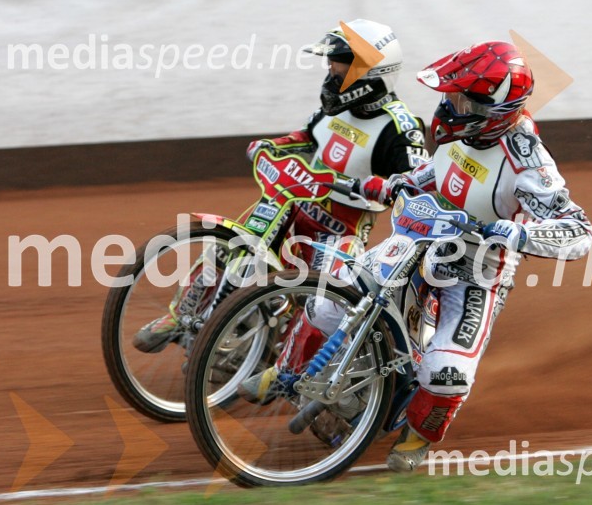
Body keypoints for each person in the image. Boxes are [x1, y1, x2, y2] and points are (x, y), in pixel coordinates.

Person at [362, 41, 592, 471]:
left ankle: (417, 435)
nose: (449, 108)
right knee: (335, 295)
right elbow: (438, 170)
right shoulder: (463, 134)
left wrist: (517, 233)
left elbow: (580, 232)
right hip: (418, 240)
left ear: (495, 111)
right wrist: (397, 183)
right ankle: (282, 370)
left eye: (461, 100)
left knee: (447, 374)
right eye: (450, 97)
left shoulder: (528, 164)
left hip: (477, 270)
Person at [132, 19, 428, 355]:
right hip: (293, 204)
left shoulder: (400, 127)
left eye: (339, 64)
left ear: (368, 73)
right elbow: (305, 138)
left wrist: (377, 188)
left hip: (338, 232)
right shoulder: (337, 106)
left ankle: (281, 372)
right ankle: (179, 316)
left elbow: (415, 188)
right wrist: (273, 145)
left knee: (319, 304)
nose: (330, 69)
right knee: (230, 246)